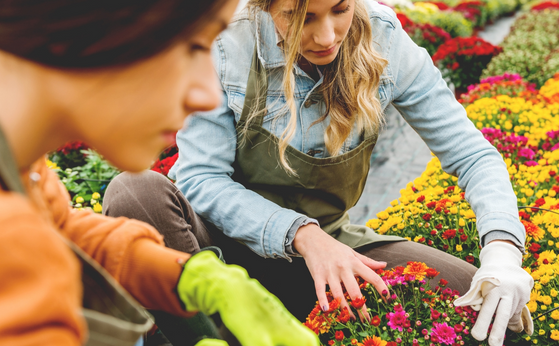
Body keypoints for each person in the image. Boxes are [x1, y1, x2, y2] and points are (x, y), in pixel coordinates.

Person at [105, 0, 534, 345]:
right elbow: (201, 179)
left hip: (332, 249)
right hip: (219, 248)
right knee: (134, 191)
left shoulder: (384, 38)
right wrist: (302, 236)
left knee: (485, 308)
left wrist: (502, 252)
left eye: (341, 9)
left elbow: (472, 154)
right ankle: (207, 335)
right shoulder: (226, 45)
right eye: (300, 16)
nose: (326, 36)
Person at [0, 0, 319, 345]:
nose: (207, 95)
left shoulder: (22, 172)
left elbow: (59, 233)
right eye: (193, 47)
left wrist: (187, 277)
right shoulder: (11, 229)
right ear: (78, 24)